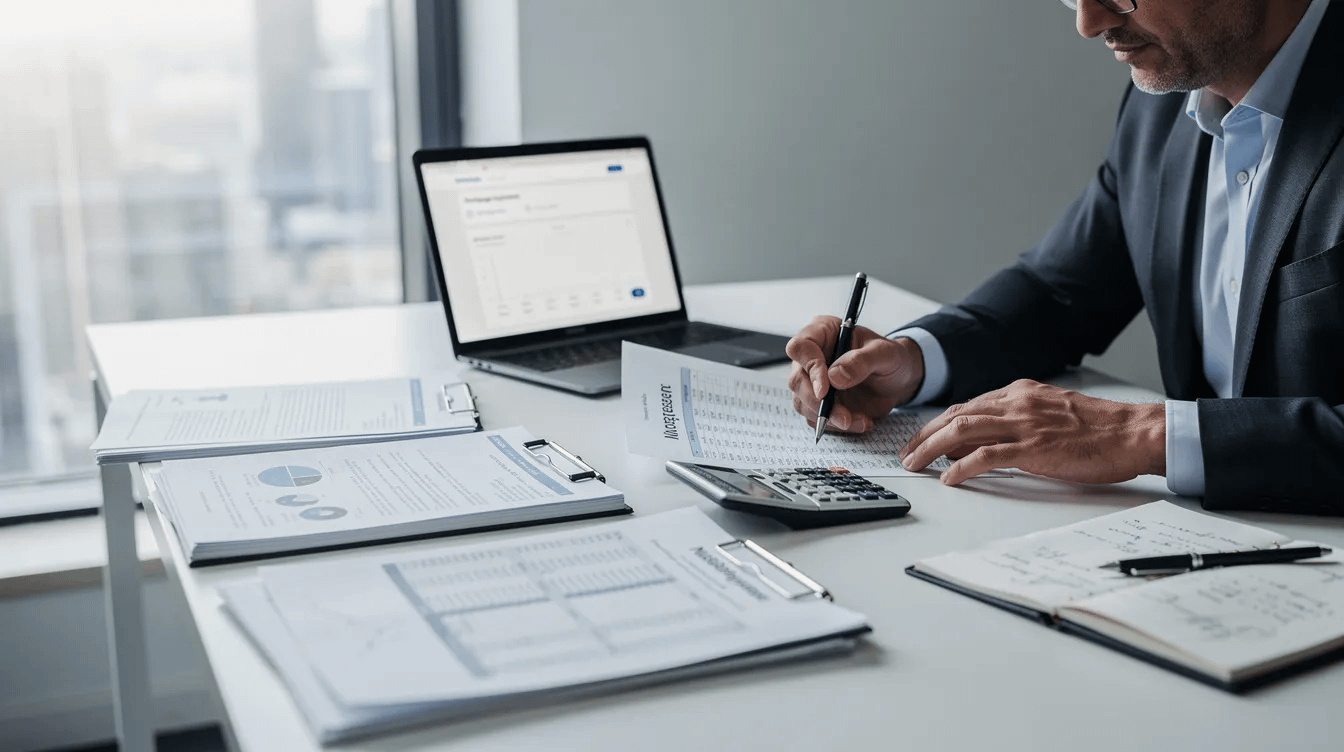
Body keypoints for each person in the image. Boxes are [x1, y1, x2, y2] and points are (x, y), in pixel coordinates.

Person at [786, 0, 1344, 515]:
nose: (1089, 21)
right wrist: (911, 362)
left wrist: (1149, 435)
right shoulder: (1163, 109)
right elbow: (1057, 293)